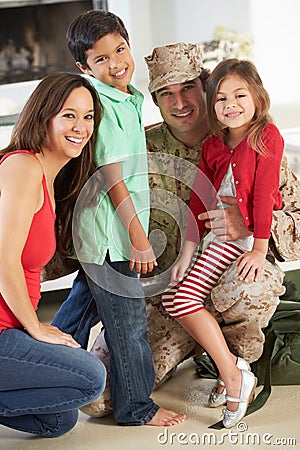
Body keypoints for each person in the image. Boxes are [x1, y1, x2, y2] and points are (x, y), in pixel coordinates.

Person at [51, 43, 300, 418]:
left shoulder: (251, 141)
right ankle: (193, 347)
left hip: (230, 279)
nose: (180, 101)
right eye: (166, 93)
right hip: (163, 297)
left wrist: (247, 224)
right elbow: (89, 208)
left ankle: (232, 367)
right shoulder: (137, 148)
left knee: (255, 285)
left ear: (206, 88)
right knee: (99, 397)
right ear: (154, 99)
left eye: (188, 88)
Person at [53, 10, 185, 427]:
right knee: (129, 328)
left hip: (99, 237)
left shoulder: (128, 98)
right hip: (114, 238)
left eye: (120, 50)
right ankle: (136, 408)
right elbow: (113, 177)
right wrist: (138, 236)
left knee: (76, 313)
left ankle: (36, 369)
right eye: (101, 59)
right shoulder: (101, 104)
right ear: (83, 68)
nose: (116, 63)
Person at [161, 58, 285, 427]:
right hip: (211, 237)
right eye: (221, 99)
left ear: (257, 96)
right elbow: (199, 200)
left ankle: (233, 376)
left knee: (182, 298)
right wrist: (186, 251)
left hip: (240, 240)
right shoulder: (214, 145)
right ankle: (230, 368)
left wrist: (260, 248)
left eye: (240, 95)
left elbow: (264, 196)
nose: (230, 105)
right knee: (174, 296)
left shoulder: (266, 137)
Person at [0, 72, 107, 438]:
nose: (81, 126)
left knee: (59, 419)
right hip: (4, 328)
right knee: (90, 376)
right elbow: (4, 260)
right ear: (44, 116)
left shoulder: (49, 176)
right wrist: (35, 327)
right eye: (69, 115)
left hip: (10, 327)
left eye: (89, 116)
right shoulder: (23, 166)